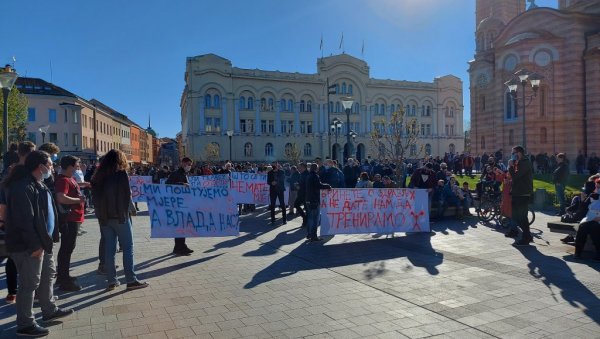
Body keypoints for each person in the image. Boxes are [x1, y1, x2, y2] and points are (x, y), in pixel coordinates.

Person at [5, 151, 74, 337]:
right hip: (29, 245)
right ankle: (25, 324)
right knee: (29, 284)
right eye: (50, 164)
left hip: (43, 242)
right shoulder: (23, 187)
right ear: (40, 166)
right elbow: (24, 220)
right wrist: (35, 245)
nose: (52, 167)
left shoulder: (38, 183)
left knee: (46, 276)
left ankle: (49, 309)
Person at [91, 149, 148, 291]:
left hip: (104, 218)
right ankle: (131, 280)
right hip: (120, 216)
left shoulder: (98, 176)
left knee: (109, 250)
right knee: (128, 248)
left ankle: (111, 281)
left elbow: (95, 198)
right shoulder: (121, 174)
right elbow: (126, 194)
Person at [54, 155, 87, 292]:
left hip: (74, 218)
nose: (77, 168)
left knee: (68, 248)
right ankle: (63, 279)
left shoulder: (69, 179)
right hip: (70, 219)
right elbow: (61, 197)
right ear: (70, 166)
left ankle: (63, 276)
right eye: (76, 165)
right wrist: (78, 200)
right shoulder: (63, 180)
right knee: (67, 249)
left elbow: (73, 187)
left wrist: (84, 185)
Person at [166, 157, 194, 255]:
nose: (189, 166)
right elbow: (167, 185)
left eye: (190, 164)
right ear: (183, 163)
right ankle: (179, 247)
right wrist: (182, 184)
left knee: (183, 226)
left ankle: (181, 246)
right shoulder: (175, 173)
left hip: (183, 204)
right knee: (180, 226)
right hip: (177, 205)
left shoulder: (184, 174)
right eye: (188, 164)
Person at [509, 146, 534, 246]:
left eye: (513, 153)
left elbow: (516, 176)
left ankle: (526, 237)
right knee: (516, 216)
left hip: (523, 193)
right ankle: (527, 235)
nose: (512, 155)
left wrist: (511, 166)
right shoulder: (519, 162)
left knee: (522, 216)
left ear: (519, 153)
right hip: (517, 192)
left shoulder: (525, 162)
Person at [573, 178, 600, 261]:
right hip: (590, 218)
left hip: (597, 219)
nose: (597, 188)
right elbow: (582, 209)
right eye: (597, 186)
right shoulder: (592, 195)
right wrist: (582, 200)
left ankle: (599, 254)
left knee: (594, 228)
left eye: (599, 187)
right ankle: (578, 252)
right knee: (582, 228)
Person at [305, 163, 331, 242]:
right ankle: (314, 236)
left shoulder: (309, 176)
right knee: (315, 219)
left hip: (308, 199)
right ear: (316, 169)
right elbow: (319, 185)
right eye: (318, 168)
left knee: (310, 218)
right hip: (314, 200)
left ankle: (309, 234)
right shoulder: (315, 176)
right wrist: (327, 186)